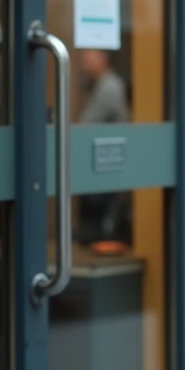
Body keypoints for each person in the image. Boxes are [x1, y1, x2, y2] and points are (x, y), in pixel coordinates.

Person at [76, 49, 131, 245]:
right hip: (102, 163)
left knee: (97, 221)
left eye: (89, 59)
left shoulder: (109, 87)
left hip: (104, 165)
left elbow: (87, 125)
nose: (84, 63)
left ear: (104, 60)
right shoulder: (98, 85)